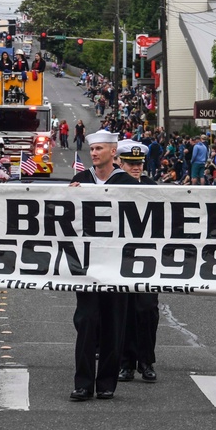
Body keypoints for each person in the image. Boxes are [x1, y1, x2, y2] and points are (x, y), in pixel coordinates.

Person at [68, 131, 138, 401]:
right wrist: (67, 198)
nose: (94, 153)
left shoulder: (127, 184)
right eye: (92, 149)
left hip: (118, 264)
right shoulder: (80, 180)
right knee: (86, 321)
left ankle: (107, 381)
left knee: (113, 322)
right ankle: (83, 383)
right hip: (87, 265)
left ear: (113, 152)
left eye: (99, 149)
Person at [115, 140, 160, 383]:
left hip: (147, 259)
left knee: (147, 310)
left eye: (139, 164)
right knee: (123, 312)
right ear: (119, 163)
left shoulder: (152, 187)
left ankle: (146, 361)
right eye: (130, 164)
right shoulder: (111, 187)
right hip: (119, 258)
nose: (136, 168)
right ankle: (125, 363)